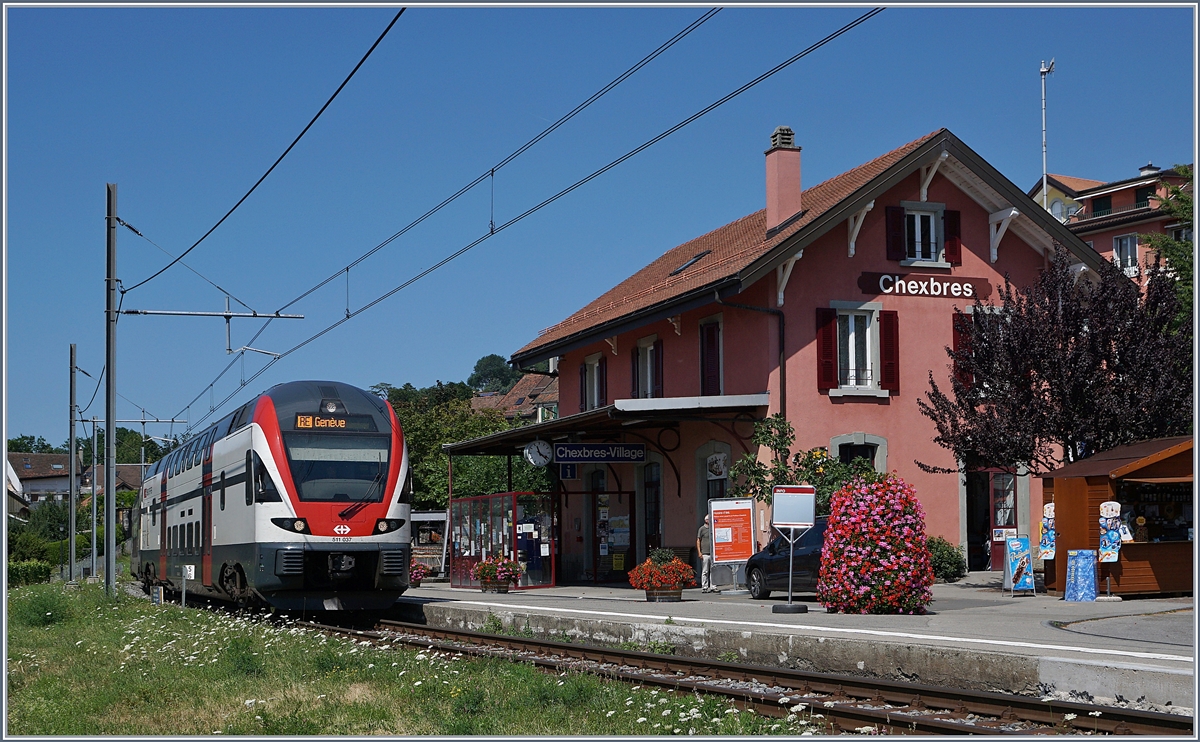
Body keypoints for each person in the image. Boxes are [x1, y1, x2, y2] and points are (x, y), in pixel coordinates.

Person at [696, 514, 714, 593]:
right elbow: (698, 540)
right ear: (706, 520)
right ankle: (704, 586)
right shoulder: (702, 529)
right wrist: (699, 552)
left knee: (713, 571)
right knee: (705, 570)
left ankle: (713, 586)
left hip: (713, 553)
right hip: (705, 553)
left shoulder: (713, 528)